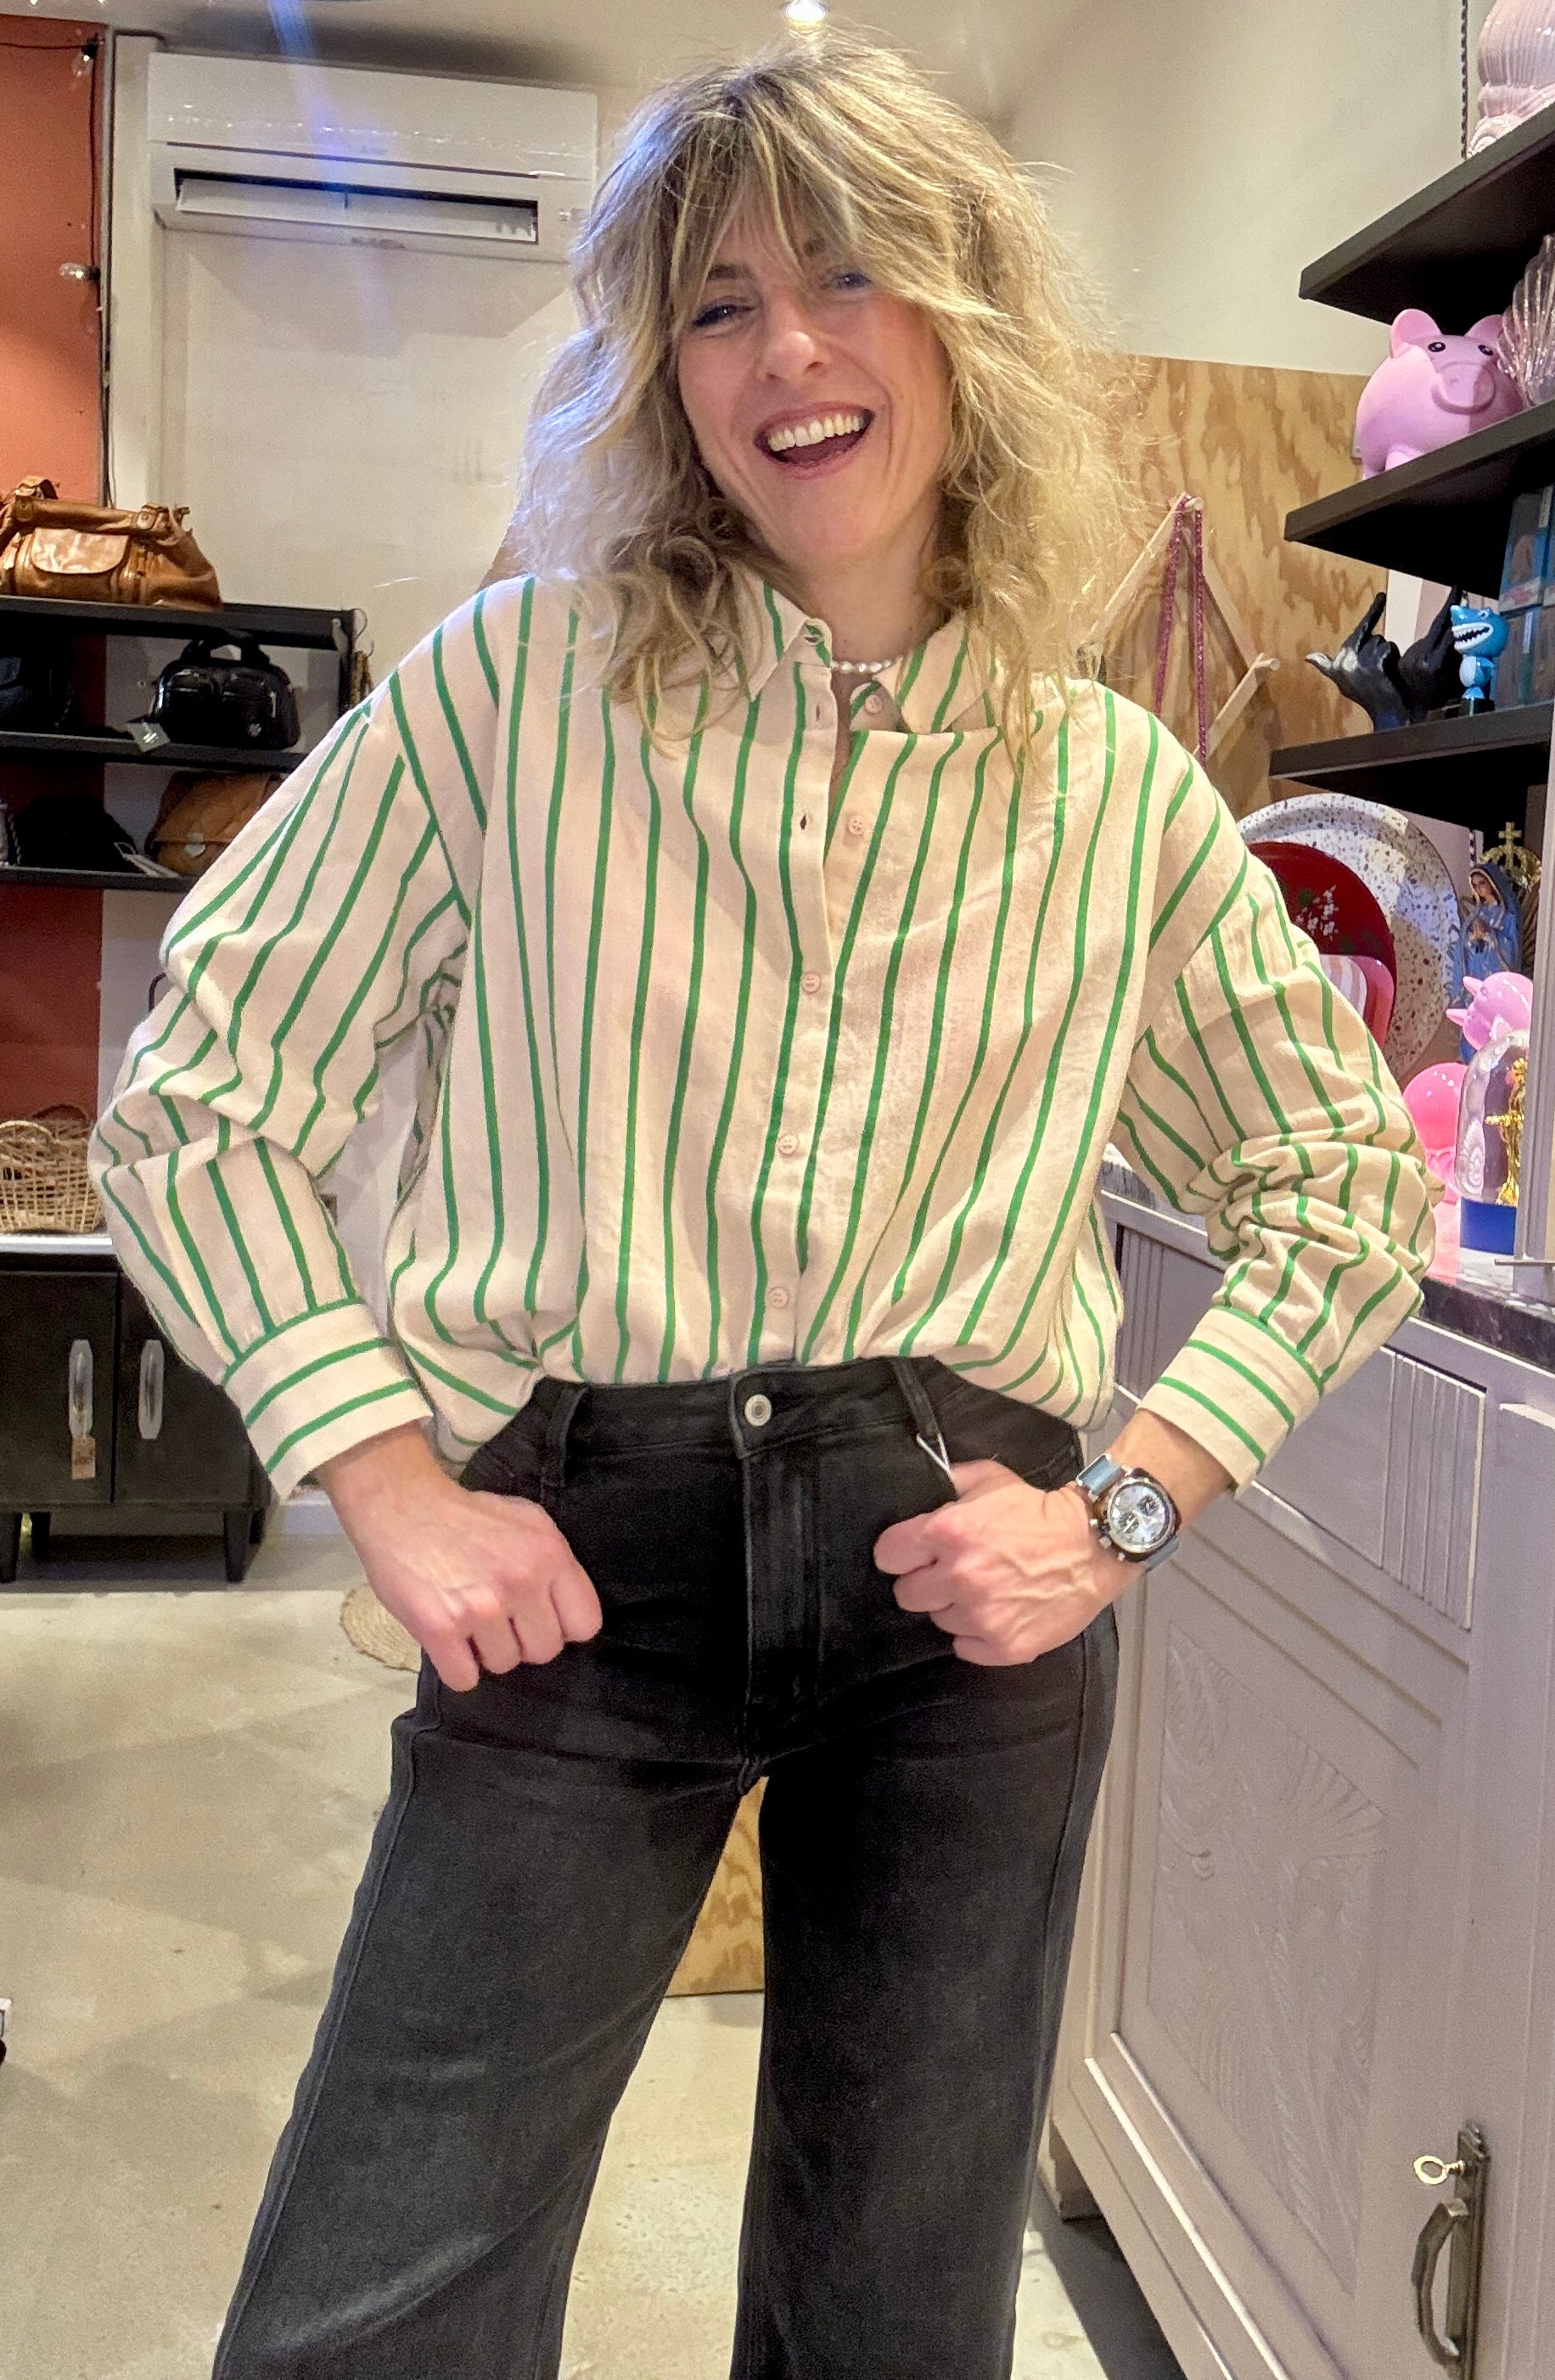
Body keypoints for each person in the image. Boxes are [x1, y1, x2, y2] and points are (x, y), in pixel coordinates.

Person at [92, 33, 1436, 2380]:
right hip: (574, 1556)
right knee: (381, 2299)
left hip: (966, 1585)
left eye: (847, 276)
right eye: (716, 303)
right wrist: (384, 1481)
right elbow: (201, 1099)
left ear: (964, 322)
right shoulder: (514, 698)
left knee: (894, 2308)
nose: (786, 351)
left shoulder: (1113, 794)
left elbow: (1339, 1185)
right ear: (662, 371)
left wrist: (1121, 1509)